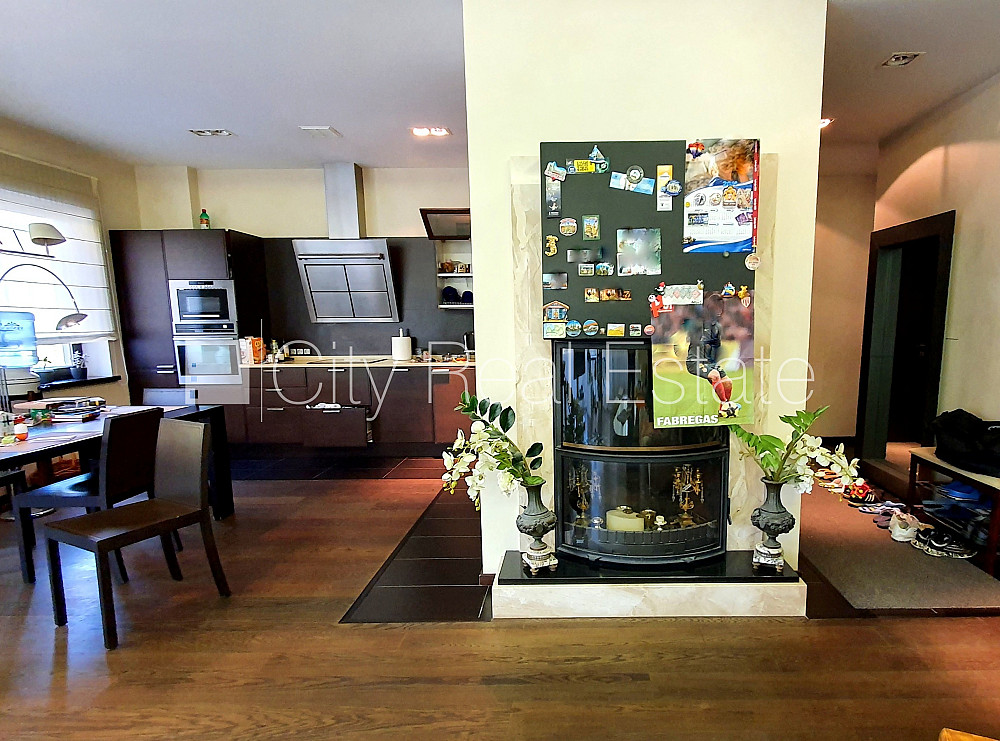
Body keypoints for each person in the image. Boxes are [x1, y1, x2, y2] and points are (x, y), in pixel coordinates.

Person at [685, 293, 738, 417]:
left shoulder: (717, 327)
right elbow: (693, 339)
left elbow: (716, 347)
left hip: (709, 362)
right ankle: (726, 404)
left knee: (728, 382)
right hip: (695, 361)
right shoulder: (696, 324)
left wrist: (714, 362)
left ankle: (722, 410)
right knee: (714, 375)